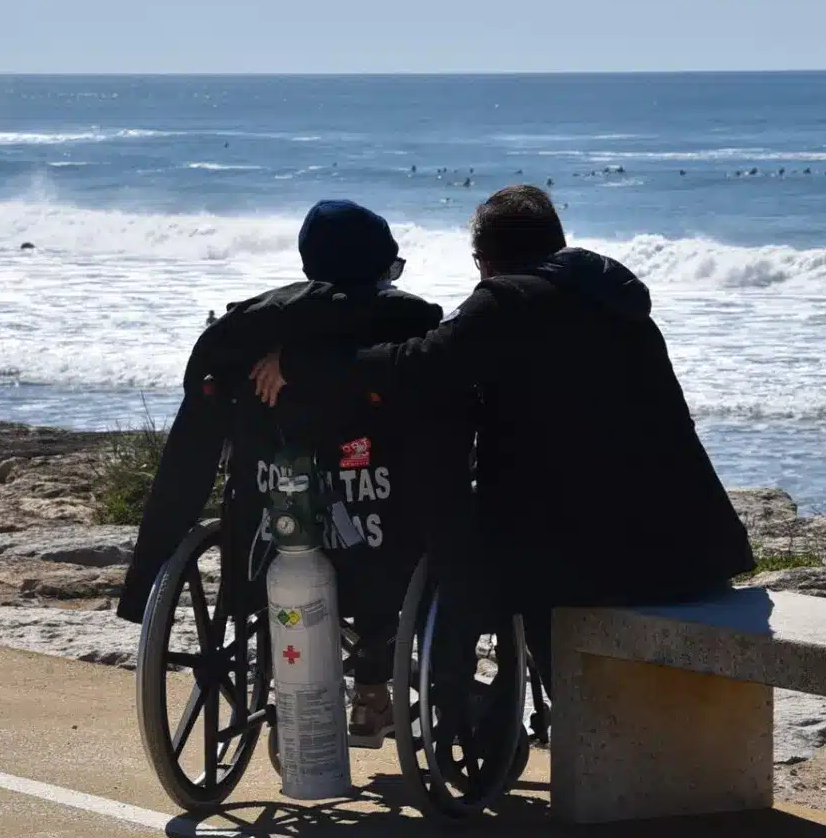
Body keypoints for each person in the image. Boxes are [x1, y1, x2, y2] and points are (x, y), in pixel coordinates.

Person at [250, 184, 753, 679]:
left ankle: (451, 688)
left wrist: (303, 364)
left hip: (605, 561)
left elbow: (417, 363)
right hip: (694, 545)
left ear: (485, 259)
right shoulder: (617, 302)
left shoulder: (508, 301)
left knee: (470, 555)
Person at [116, 200, 453, 745]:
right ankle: (371, 689)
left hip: (265, 537)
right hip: (383, 542)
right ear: (380, 267)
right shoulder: (408, 320)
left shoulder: (243, 330)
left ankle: (294, 688)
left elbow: (187, 459)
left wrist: (145, 581)